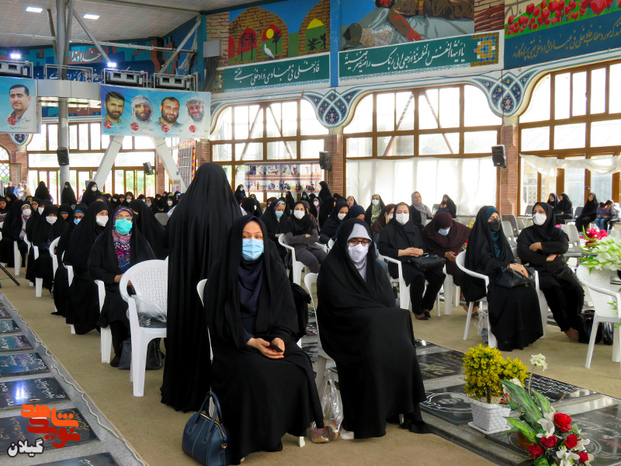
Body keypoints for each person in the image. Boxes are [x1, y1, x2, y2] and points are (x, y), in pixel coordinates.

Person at [204, 216, 323, 464]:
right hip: (234, 340)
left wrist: (281, 338)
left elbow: (285, 311)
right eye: (245, 237)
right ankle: (256, 436)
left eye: (258, 237)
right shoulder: (222, 270)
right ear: (235, 239)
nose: (252, 242)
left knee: (298, 362)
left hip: (270, 333)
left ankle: (284, 425)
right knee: (254, 368)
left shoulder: (273, 267)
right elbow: (218, 318)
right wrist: (250, 341)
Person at [317, 219, 430, 439]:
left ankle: (398, 406)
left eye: (364, 241)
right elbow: (335, 302)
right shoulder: (332, 267)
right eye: (354, 241)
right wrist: (369, 310)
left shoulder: (375, 267)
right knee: (374, 327)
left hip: (371, 324)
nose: (359, 247)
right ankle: (367, 418)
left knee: (400, 319)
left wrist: (370, 310)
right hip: (342, 327)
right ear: (344, 241)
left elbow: (386, 300)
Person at [161, 163, 241, 412]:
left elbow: (167, 240)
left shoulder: (184, 210)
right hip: (220, 291)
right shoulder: (232, 210)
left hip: (187, 289)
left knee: (188, 328)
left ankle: (185, 387)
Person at [463, 206, 543, 351]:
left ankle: (525, 334)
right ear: (483, 220)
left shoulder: (500, 237)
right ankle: (507, 336)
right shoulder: (477, 238)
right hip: (484, 278)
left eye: (497, 218)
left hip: (501, 274)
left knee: (527, 288)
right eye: (491, 218)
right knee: (511, 293)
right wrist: (508, 266)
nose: (495, 221)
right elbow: (484, 262)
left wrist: (516, 266)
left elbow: (509, 258)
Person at [89, 207, 155, 366]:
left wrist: (138, 278)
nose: (124, 221)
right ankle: (122, 351)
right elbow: (93, 268)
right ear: (113, 220)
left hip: (139, 288)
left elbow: (150, 266)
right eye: (120, 217)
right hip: (116, 287)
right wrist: (116, 278)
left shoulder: (140, 241)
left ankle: (147, 351)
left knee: (152, 305)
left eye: (128, 218)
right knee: (119, 304)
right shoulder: (103, 241)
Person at [517, 202, 584, 342]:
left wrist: (539, 246)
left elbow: (562, 247)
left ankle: (574, 320)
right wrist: (546, 258)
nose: (537, 215)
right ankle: (566, 327)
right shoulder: (527, 233)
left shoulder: (557, 232)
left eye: (541, 212)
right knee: (555, 291)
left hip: (560, 268)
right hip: (540, 271)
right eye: (534, 212)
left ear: (548, 214)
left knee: (576, 289)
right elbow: (523, 253)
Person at [378, 202, 445, 320]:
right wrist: (403, 252)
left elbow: (423, 246)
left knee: (438, 276)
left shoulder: (414, 228)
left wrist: (420, 251)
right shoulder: (388, 230)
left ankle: (426, 306)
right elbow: (382, 249)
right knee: (418, 277)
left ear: (409, 214)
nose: (402, 215)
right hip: (399, 263)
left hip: (418, 261)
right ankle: (417, 310)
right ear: (395, 214)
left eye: (405, 212)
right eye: (399, 212)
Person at [65, 202, 111, 334]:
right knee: (91, 287)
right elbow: (76, 258)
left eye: (106, 214)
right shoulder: (80, 232)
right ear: (93, 215)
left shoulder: (108, 232)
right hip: (85, 271)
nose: (104, 216)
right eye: (101, 213)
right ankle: (92, 322)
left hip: (105, 270)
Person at [423, 211, 470, 288]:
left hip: (456, 257)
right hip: (435, 260)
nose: (446, 229)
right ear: (436, 225)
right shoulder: (428, 231)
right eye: (443, 228)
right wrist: (445, 254)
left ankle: (464, 291)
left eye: (448, 227)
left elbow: (471, 234)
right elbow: (427, 249)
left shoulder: (457, 228)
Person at [30, 205, 68, 291]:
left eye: (54, 215)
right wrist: (48, 248)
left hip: (60, 251)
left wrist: (58, 249)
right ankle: (48, 283)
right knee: (45, 260)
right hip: (45, 251)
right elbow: (37, 240)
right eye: (50, 215)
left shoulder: (63, 225)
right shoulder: (40, 225)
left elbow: (66, 240)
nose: (52, 217)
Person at [284, 201, 327, 273]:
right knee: (313, 260)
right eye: (297, 209)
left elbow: (315, 237)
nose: (299, 211)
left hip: (311, 246)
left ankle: (327, 277)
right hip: (298, 249)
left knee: (325, 257)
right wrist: (304, 236)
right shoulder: (289, 222)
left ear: (305, 211)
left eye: (301, 209)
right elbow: (290, 240)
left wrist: (299, 239)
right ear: (293, 210)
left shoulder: (309, 221)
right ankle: (317, 278)